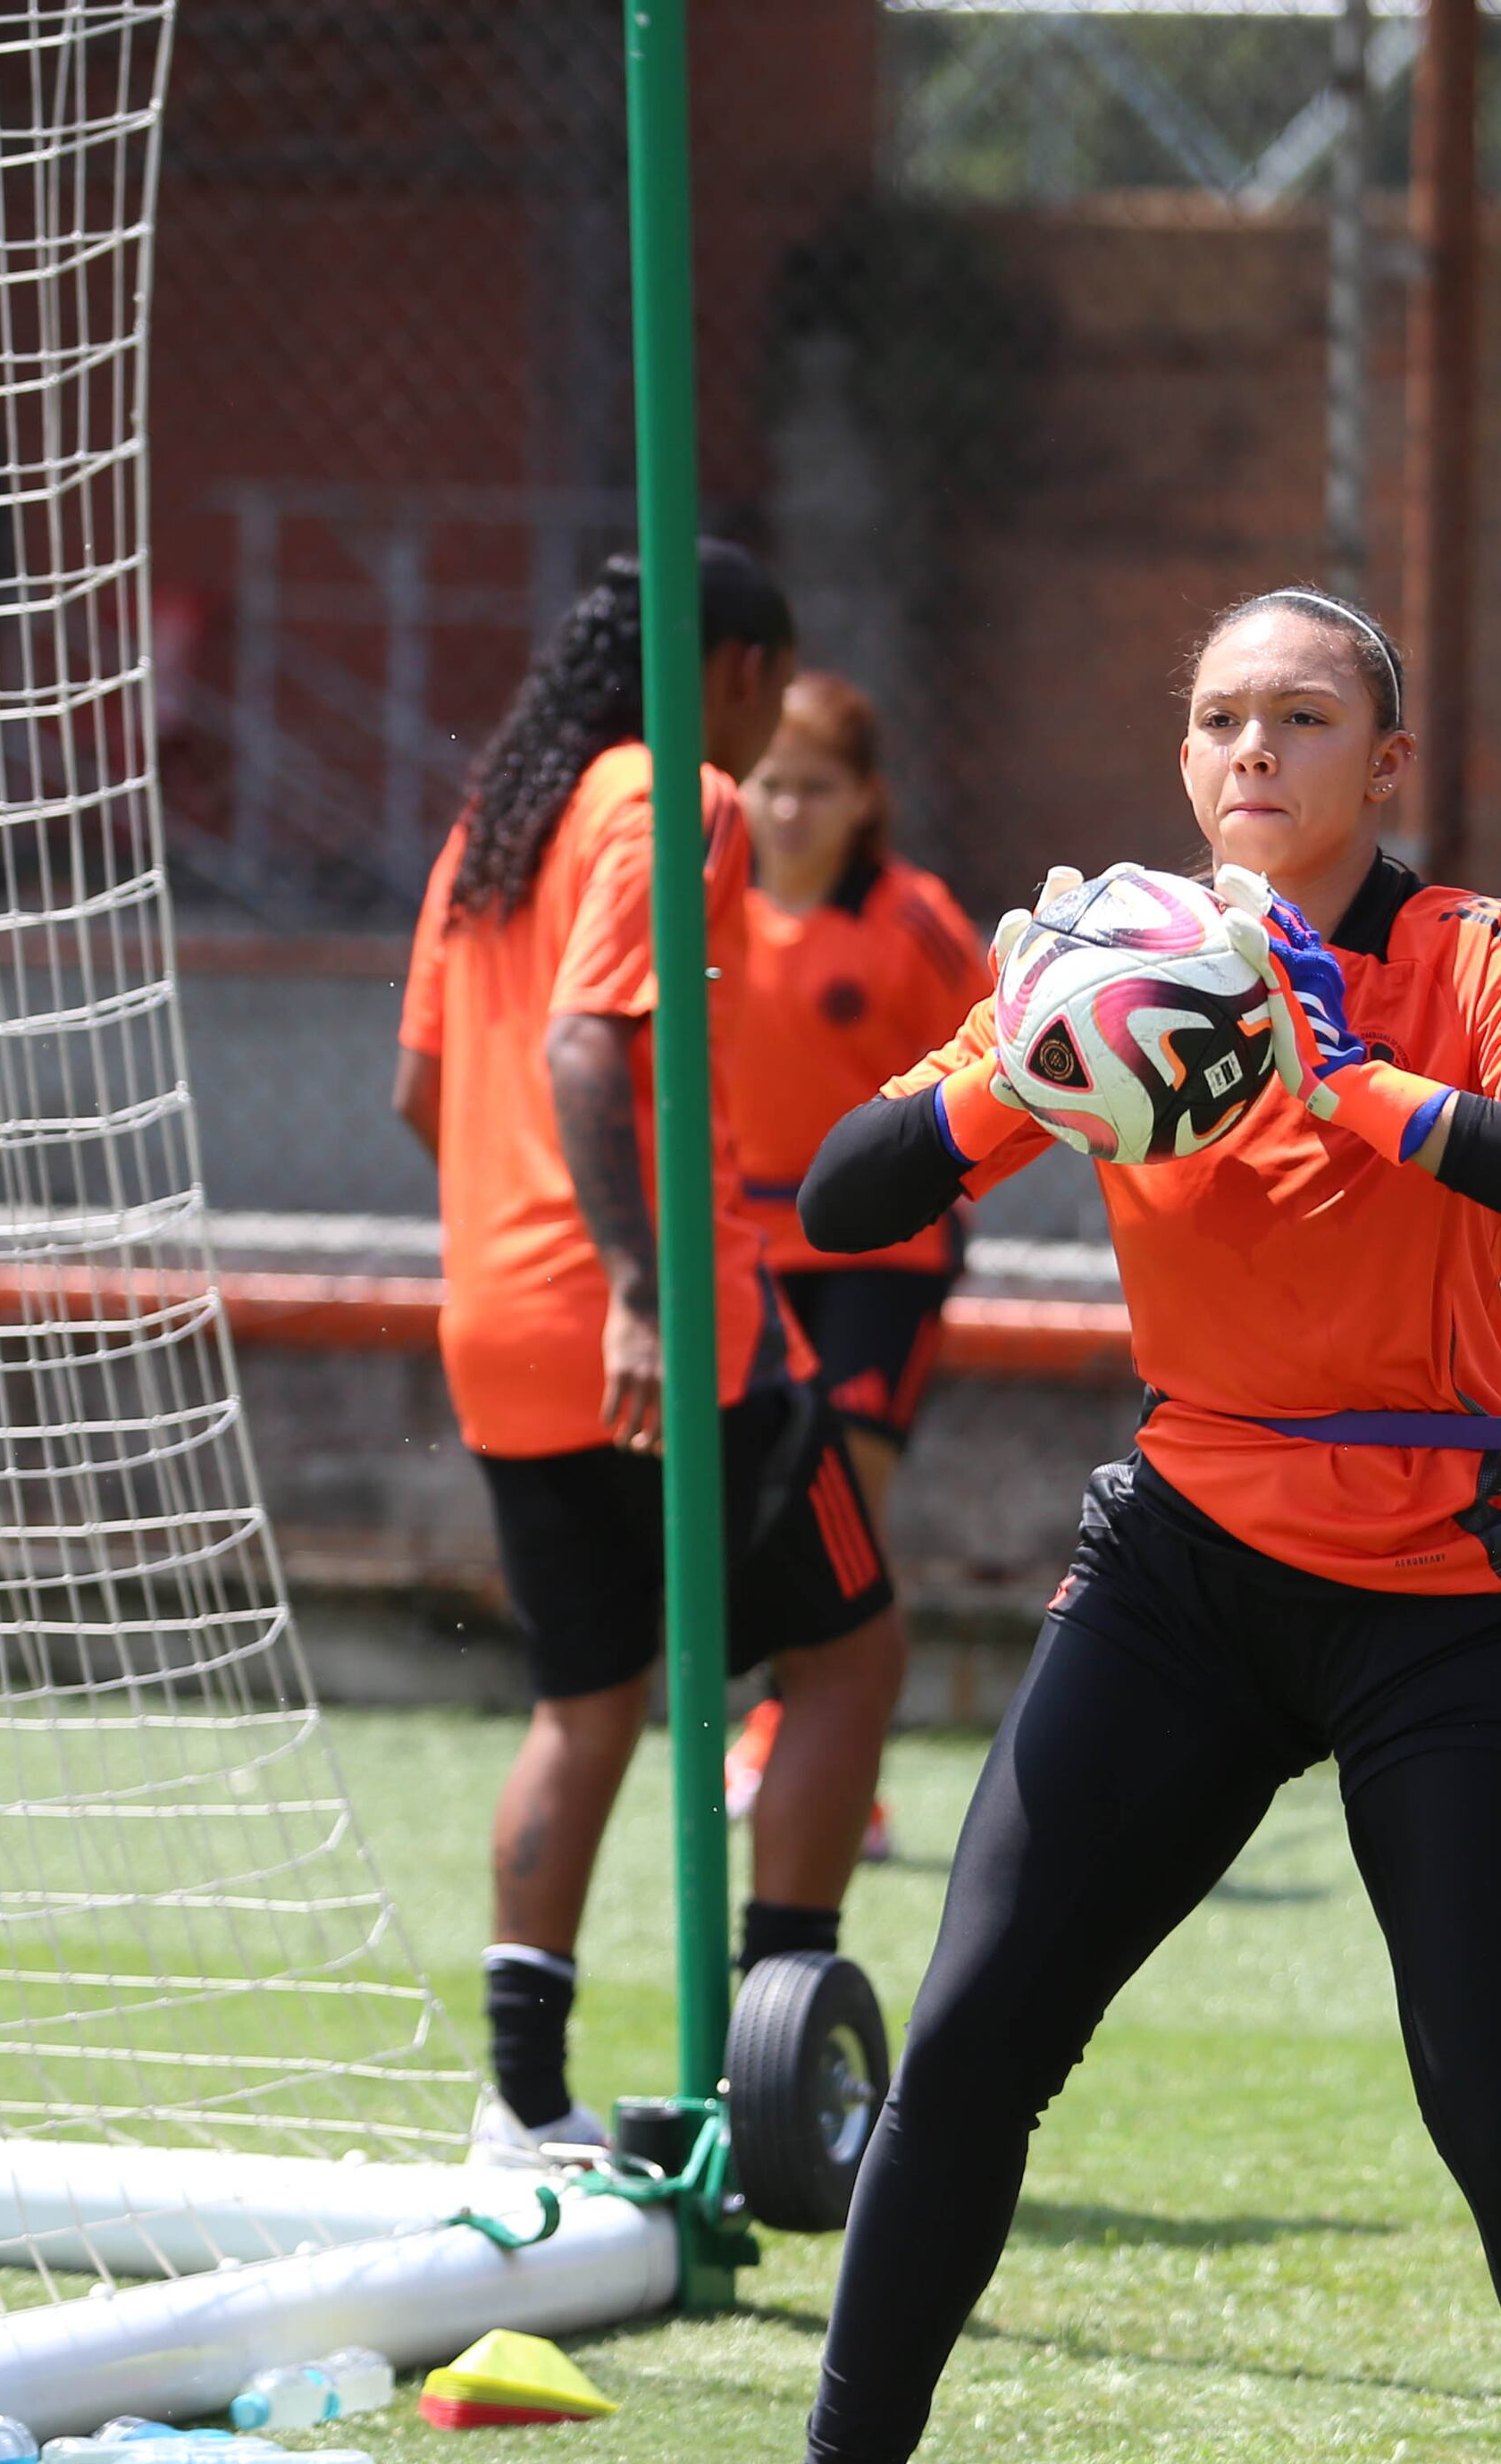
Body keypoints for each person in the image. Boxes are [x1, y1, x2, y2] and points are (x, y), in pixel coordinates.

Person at [645, 585, 1501, 2464]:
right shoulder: (1114, 956)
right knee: (972, 2036)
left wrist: (1359, 1087)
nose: (1252, 750)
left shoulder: (1467, 954)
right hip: (1186, 1552)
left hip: (1449, 1585)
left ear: (1386, 765)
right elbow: (851, 1194)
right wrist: (1034, 1056)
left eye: (1301, 716)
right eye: (1218, 719)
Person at [394, 544, 909, 2153]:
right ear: (742, 669)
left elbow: (422, 1089)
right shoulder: (666, 796)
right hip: (674, 1326)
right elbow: (582, 1040)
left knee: (586, 1700)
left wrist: (529, 1249)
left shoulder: (498, 820)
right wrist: (628, 1282)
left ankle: (523, 2099)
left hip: (496, 1322)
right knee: (851, 1651)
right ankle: (784, 2057)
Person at [717, 671, 990, 1846]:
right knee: (775, 1500)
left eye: (816, 788)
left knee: (850, 1496)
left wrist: (947, 1179)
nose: (788, 810)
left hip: (883, 1252)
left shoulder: (913, 919)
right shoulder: (701, 907)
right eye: (772, 784)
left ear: (864, 798)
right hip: (747, 1252)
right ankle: (788, 1730)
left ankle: (821, 1754)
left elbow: (1009, 1044)